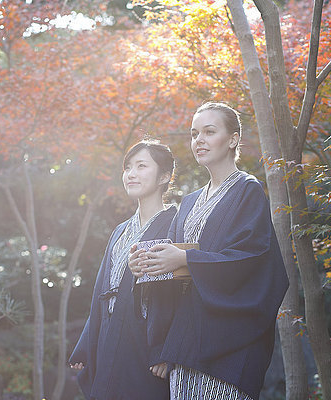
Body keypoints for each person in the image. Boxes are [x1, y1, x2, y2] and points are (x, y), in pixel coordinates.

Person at [129, 102, 288, 400]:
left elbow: (250, 259)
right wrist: (144, 264)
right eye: (194, 134)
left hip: (229, 343)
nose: (198, 140)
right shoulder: (188, 203)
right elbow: (173, 267)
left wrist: (186, 258)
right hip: (185, 344)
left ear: (232, 139)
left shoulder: (247, 190)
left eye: (209, 132)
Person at [69, 139, 178, 400]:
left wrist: (168, 350)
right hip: (111, 331)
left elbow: (184, 296)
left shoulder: (176, 223)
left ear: (165, 176)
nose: (131, 174)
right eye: (128, 167)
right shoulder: (120, 231)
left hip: (146, 339)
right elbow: (100, 292)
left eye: (141, 166)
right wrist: (87, 344)